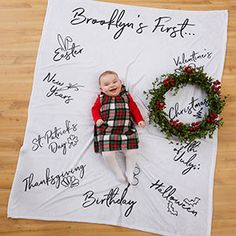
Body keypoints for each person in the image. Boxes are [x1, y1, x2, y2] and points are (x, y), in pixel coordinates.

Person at [91, 70, 145, 183]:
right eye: (106, 84)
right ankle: (117, 171)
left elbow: (134, 108)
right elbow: (94, 109)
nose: (112, 85)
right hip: (108, 131)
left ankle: (130, 171)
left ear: (120, 82)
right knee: (107, 154)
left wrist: (139, 119)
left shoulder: (126, 96)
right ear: (101, 89)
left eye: (115, 81)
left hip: (126, 130)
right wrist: (98, 119)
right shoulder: (101, 98)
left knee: (132, 151)